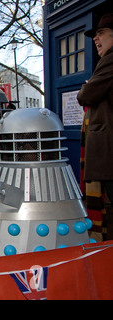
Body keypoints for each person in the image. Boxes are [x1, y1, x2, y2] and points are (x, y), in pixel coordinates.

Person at [77, 13, 113, 241]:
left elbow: (85, 95)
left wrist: (87, 87)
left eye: (101, 33)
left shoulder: (110, 61)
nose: (95, 39)